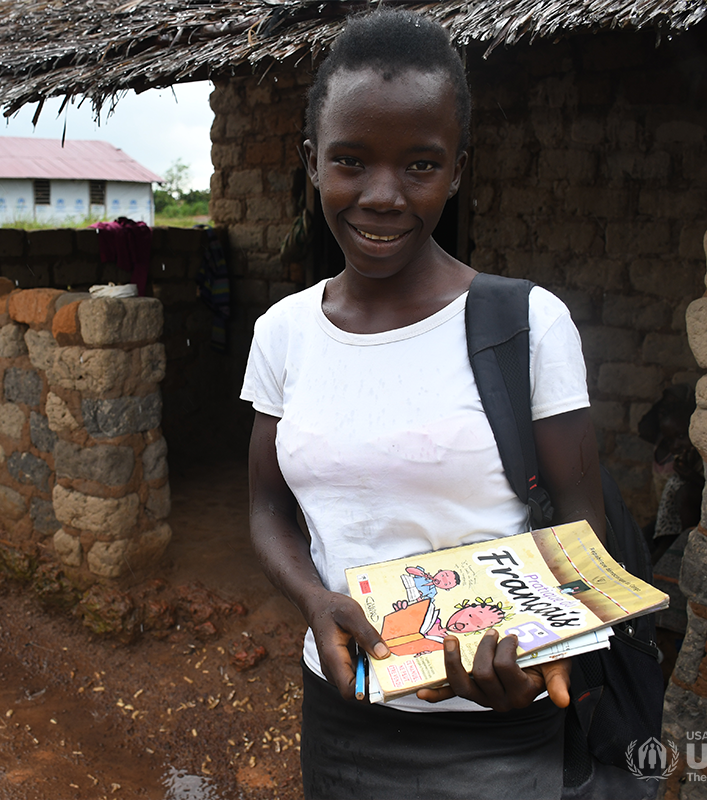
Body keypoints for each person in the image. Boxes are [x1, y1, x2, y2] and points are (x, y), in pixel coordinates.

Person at [241, 8, 609, 799]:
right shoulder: (283, 335)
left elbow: (582, 519)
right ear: (312, 162)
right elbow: (268, 510)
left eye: (419, 165)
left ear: (458, 169)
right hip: (344, 713)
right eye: (350, 161)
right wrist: (313, 600)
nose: (381, 196)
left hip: (496, 720)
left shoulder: (528, 324)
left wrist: (553, 645)